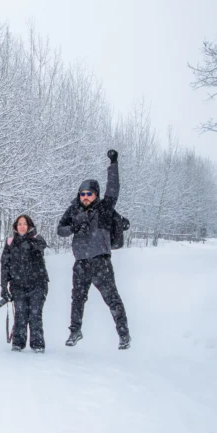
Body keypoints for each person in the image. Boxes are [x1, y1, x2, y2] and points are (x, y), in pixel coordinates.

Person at [57, 149, 131, 350]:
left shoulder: (104, 208)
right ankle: (75, 331)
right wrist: (73, 227)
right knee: (77, 299)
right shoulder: (73, 210)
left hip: (100, 262)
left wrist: (113, 164)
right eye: (82, 194)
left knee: (112, 298)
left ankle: (124, 335)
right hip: (81, 262)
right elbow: (60, 230)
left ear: (96, 194)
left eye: (89, 193)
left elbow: (113, 188)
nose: (85, 197)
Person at [0, 215, 49, 353]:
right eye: (19, 224)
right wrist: (3, 287)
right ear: (16, 226)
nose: (22, 226)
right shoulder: (10, 243)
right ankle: (18, 343)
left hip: (38, 284)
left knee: (35, 314)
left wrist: (31, 239)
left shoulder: (36, 239)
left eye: (25, 224)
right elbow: (5, 266)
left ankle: (37, 344)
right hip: (18, 285)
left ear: (29, 226)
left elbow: (42, 245)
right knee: (20, 314)